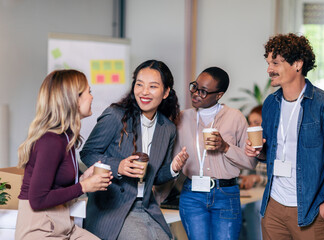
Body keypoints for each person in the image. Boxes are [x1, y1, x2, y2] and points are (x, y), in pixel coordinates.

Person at [245, 33, 324, 239]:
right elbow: (268, 152)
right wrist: (256, 151)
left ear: (297, 64)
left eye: (275, 63)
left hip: (311, 210)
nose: (269, 69)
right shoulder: (270, 104)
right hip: (274, 208)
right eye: (268, 63)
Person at [80, 60, 188, 240]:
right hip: (113, 207)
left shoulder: (167, 128)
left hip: (146, 206)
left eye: (153, 86)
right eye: (139, 84)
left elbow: (155, 175)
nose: (144, 92)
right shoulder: (116, 115)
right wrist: (118, 166)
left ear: (166, 92)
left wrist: (173, 168)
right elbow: (88, 153)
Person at [15, 70, 112, 240]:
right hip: (39, 230)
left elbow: (58, 183)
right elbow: (37, 199)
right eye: (88, 92)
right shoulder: (51, 141)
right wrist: (84, 187)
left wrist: (82, 179)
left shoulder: (66, 136)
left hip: (62, 225)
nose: (91, 97)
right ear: (73, 99)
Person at [175, 66, 257, 240]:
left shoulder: (236, 118)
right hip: (192, 195)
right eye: (194, 87)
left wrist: (225, 147)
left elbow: (250, 162)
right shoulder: (182, 118)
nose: (196, 93)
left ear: (219, 95)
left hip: (225, 194)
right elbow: (174, 161)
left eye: (203, 91)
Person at [239, 105, 266, 240]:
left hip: (267, 195)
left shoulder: (273, 144)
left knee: (254, 208)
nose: (252, 126)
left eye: (256, 122)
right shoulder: (250, 144)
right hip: (251, 193)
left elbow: (277, 176)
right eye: (250, 122)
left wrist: (257, 179)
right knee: (233, 209)